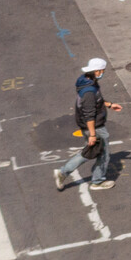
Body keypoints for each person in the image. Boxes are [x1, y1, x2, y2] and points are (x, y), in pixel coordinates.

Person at [54, 59, 122, 191]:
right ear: (97, 71)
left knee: (90, 151)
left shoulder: (86, 81)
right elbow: (90, 114)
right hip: (95, 127)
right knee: (103, 154)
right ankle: (97, 181)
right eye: (102, 71)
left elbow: (97, 101)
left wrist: (109, 105)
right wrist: (92, 134)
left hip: (91, 126)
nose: (102, 73)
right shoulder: (89, 91)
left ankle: (63, 172)